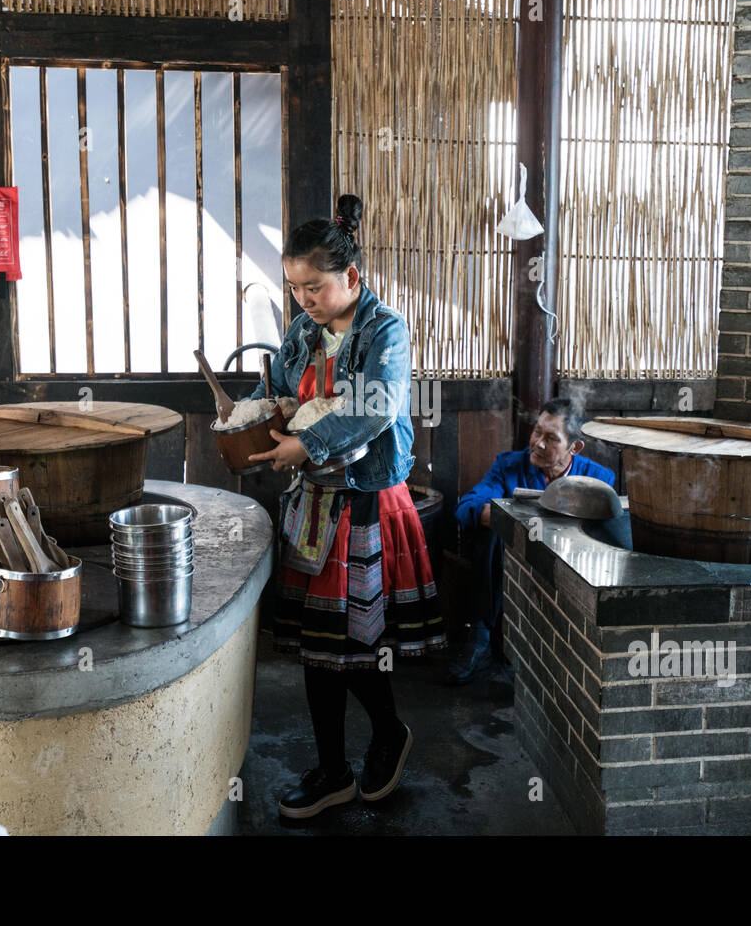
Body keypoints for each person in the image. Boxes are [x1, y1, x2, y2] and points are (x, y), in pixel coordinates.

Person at [247, 193, 447, 819]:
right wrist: (250, 416)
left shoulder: (384, 329)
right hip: (313, 503)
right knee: (317, 643)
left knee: (357, 644)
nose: (302, 299)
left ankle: (387, 732)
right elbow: (277, 386)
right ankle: (332, 771)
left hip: (363, 502)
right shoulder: (305, 331)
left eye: (313, 286)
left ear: (351, 277)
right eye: (294, 288)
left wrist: (306, 440)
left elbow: (377, 406)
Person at [448, 398, 615, 685]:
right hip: (512, 562)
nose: (537, 444)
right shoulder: (509, 466)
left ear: (574, 447)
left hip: (567, 565)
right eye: (537, 432)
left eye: (551, 438)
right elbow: (466, 507)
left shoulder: (596, 478)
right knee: (489, 532)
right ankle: (482, 640)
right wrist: (504, 515)